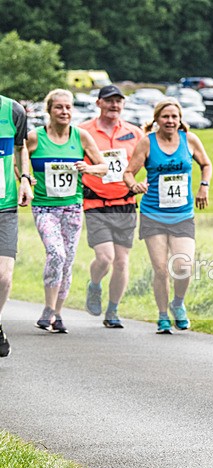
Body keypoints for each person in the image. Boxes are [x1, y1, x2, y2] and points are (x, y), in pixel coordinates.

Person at [122, 99, 212, 334]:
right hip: (154, 214)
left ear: (180, 119)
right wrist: (134, 186)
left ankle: (178, 303)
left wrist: (204, 186)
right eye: (165, 117)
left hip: (182, 214)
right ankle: (162, 315)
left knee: (183, 266)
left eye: (174, 117)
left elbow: (206, 164)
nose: (170, 121)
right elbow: (129, 173)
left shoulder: (189, 140)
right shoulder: (147, 143)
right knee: (161, 268)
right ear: (157, 120)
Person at [27, 89, 106, 333]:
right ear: (49, 110)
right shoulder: (35, 137)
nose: (64, 112)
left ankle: (58, 314)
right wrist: (24, 177)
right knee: (56, 253)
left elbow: (103, 166)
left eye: (68, 107)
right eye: (59, 107)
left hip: (72, 207)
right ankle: (48, 310)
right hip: (44, 207)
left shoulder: (80, 137)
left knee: (67, 261)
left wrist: (89, 168)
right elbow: (16, 161)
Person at [79, 85, 144, 328]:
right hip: (95, 201)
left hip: (125, 202)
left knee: (122, 261)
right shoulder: (84, 131)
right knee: (105, 258)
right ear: (98, 103)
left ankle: (113, 310)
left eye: (118, 101)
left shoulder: (134, 133)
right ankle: (95, 285)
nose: (114, 105)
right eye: (109, 101)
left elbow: (148, 161)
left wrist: (144, 182)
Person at [0, 93, 34, 355]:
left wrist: (24, 178)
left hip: (5, 205)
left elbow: (22, 148)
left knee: (3, 276)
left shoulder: (12, 110)